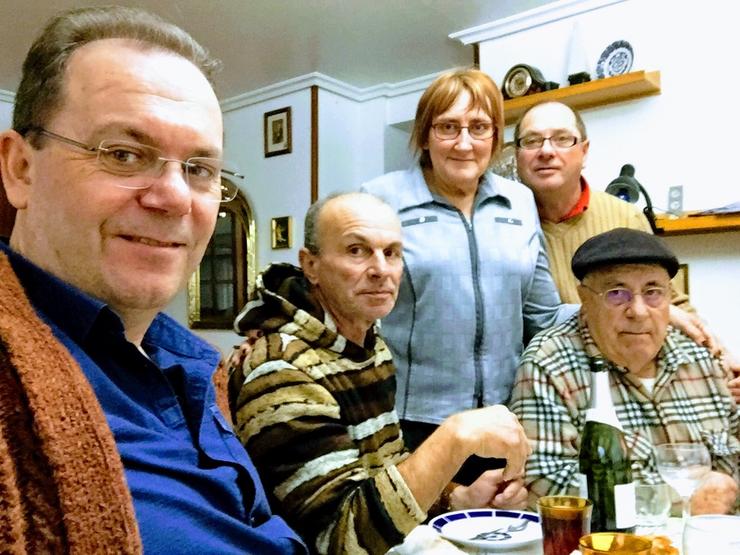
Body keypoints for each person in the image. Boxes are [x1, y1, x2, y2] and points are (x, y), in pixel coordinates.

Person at [0, 6, 304, 553]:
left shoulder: (194, 366)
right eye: (123, 154)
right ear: (20, 169)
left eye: (199, 168)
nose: (173, 198)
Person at [228, 192, 531, 554]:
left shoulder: (370, 345)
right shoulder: (281, 369)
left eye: (392, 253)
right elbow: (340, 539)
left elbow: (383, 475)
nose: (380, 269)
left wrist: (456, 498)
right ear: (311, 265)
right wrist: (452, 439)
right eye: (356, 250)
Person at [360, 69, 576, 478]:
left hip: (505, 420)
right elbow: (347, 305)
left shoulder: (519, 202)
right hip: (413, 422)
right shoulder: (381, 199)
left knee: (500, 535)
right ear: (424, 135)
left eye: (479, 127)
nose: (464, 143)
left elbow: (544, 316)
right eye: (447, 127)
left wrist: (653, 311)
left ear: (495, 138)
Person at [514, 100, 740, 393]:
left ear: (584, 151)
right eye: (532, 141)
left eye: (562, 139)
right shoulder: (504, 228)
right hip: (549, 384)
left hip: (625, 382)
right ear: (517, 155)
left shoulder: (624, 216)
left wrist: (722, 361)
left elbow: (672, 303)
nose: (546, 151)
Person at [509, 228, 739, 514]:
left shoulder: (697, 356)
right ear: (585, 299)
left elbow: (733, 454)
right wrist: (684, 499)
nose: (638, 311)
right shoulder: (550, 363)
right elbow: (545, 485)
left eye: (653, 292)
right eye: (617, 294)